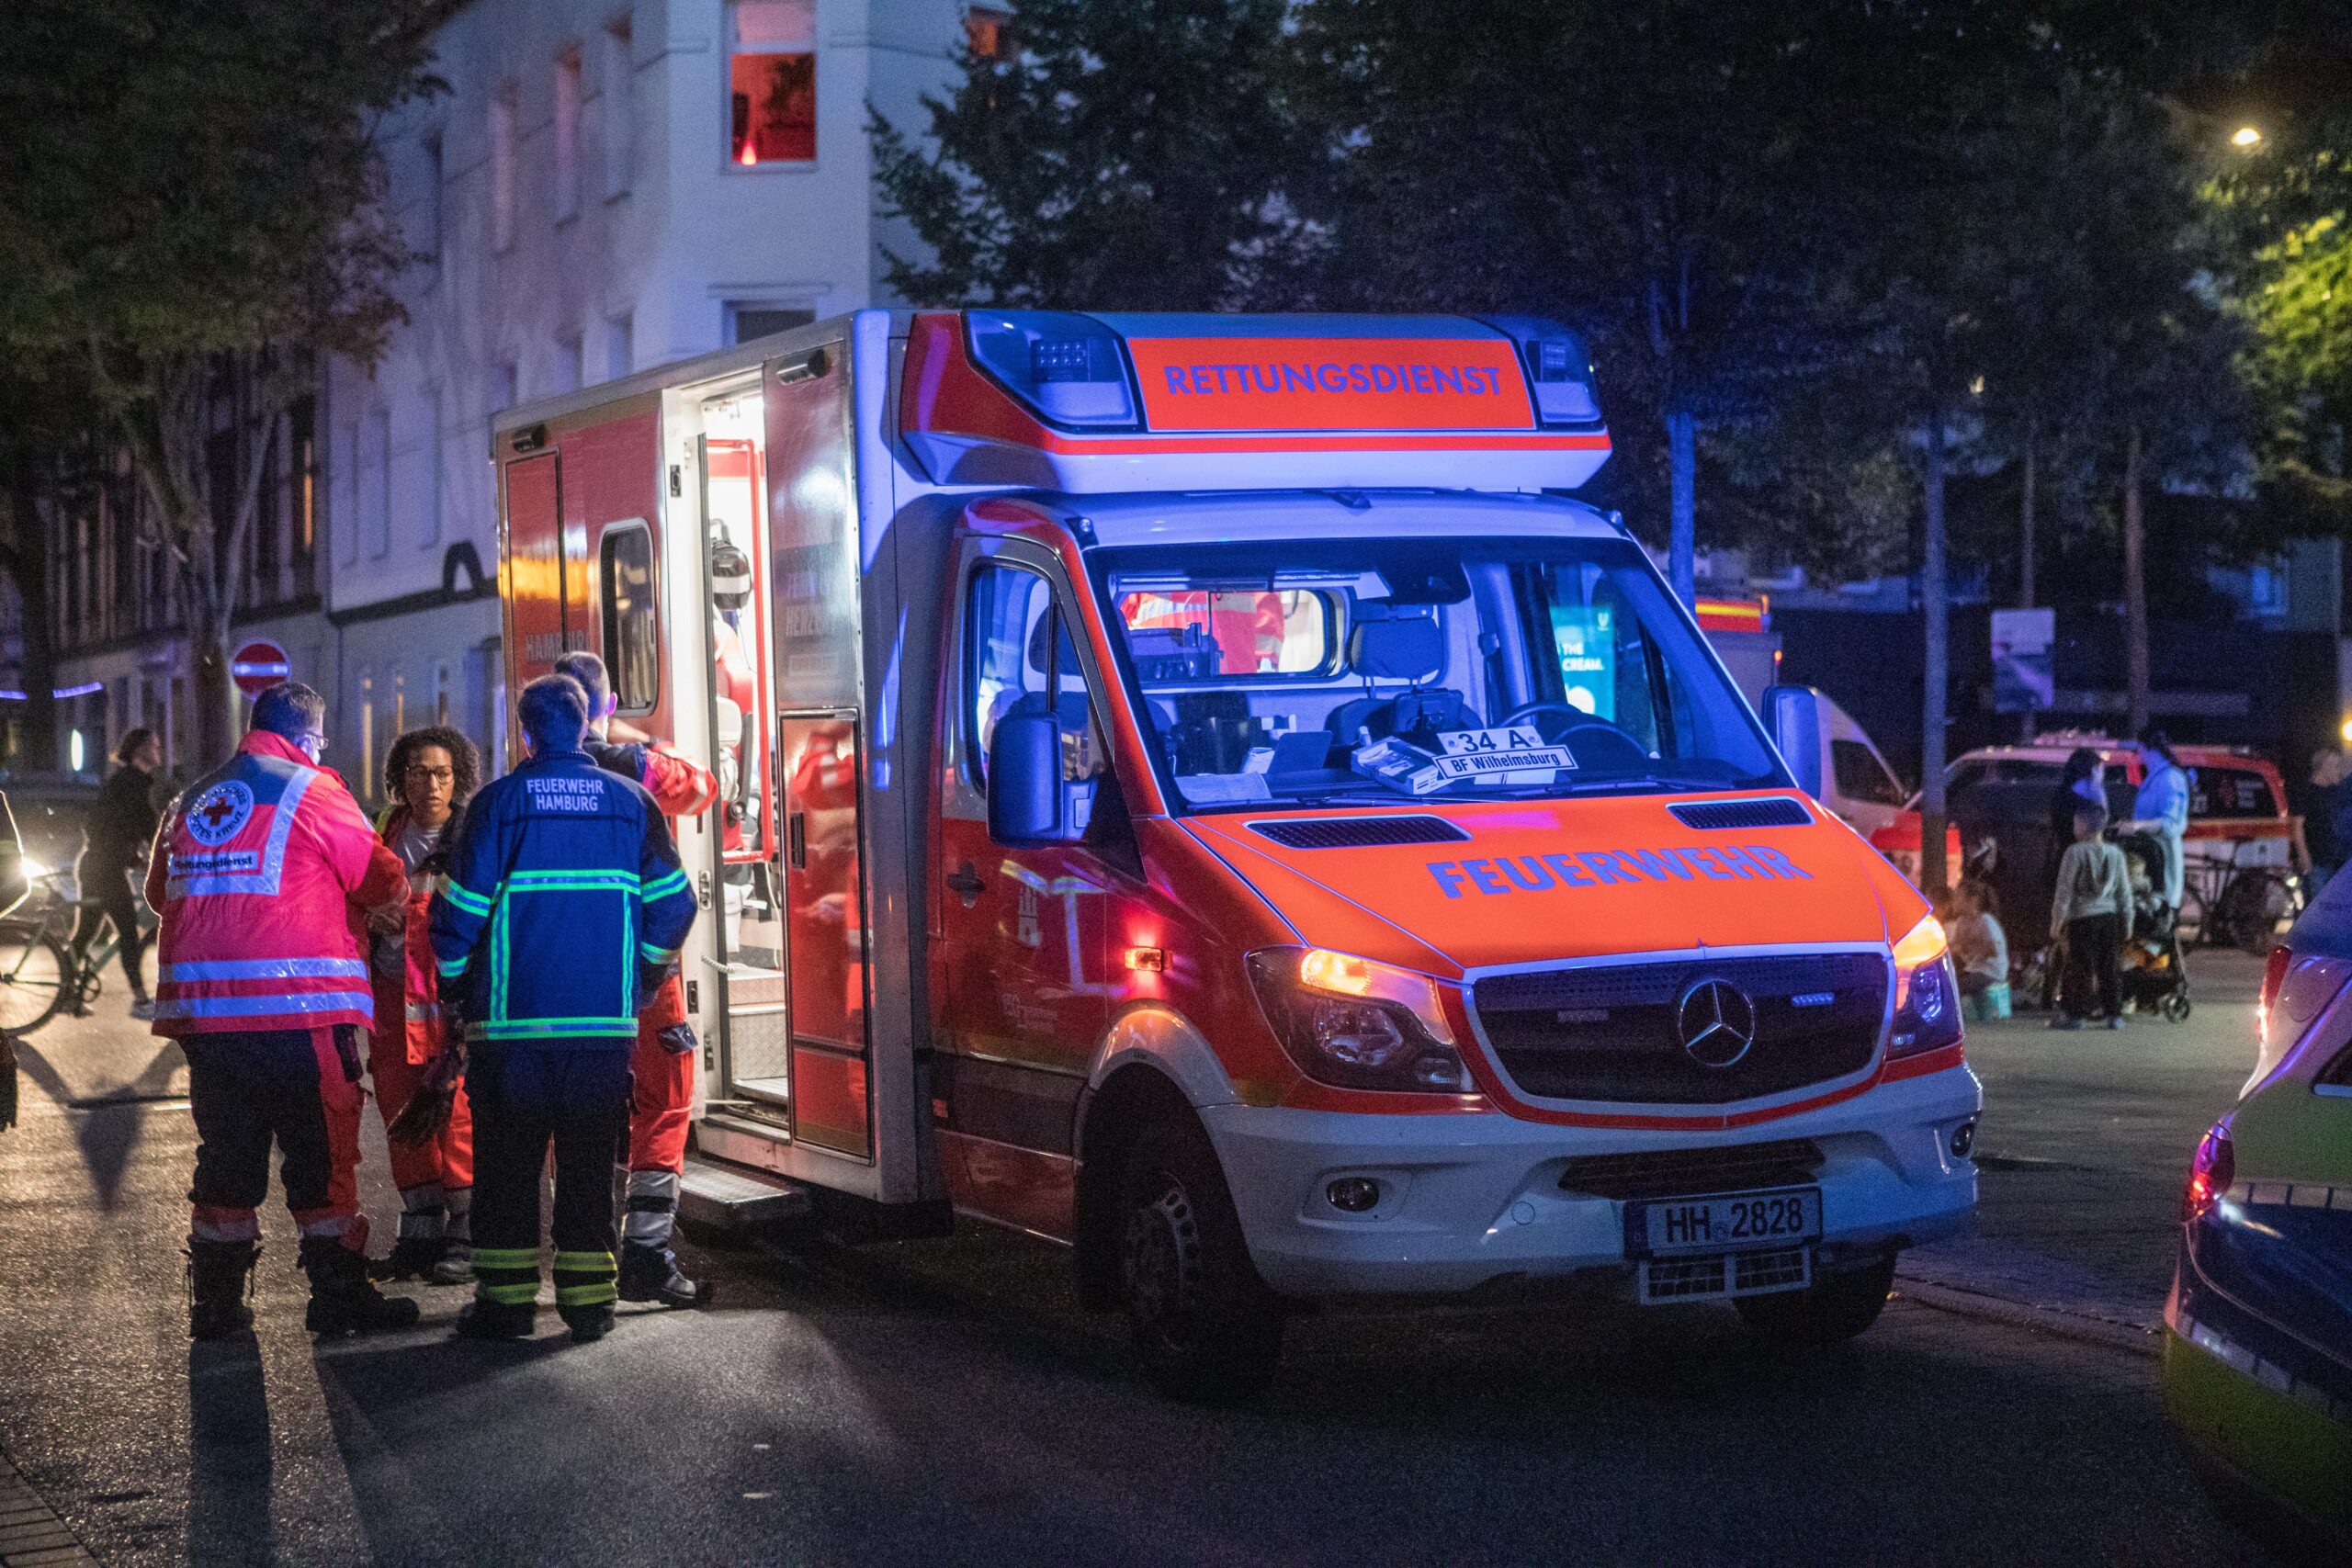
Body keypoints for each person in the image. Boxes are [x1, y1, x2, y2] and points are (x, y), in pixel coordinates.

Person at [432, 675, 697, 1343]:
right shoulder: (633, 802)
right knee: (586, 1166)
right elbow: (675, 904)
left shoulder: (495, 804)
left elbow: (457, 915)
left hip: (509, 1028)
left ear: (525, 732)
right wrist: (639, 978)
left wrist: (457, 986)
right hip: (601, 1029)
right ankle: (589, 1305)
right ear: (586, 726)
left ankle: (507, 1304)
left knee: (508, 1167)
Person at [154, 682, 417, 1339]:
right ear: (307, 739)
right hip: (299, 1006)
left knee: (227, 1153)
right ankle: (336, 1293)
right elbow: (383, 879)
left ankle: (215, 1304)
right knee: (322, 1152)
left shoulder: (192, 797)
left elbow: (163, 894)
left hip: (206, 1013)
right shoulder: (312, 789)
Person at [553, 650, 719, 1307]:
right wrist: (643, 740)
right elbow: (703, 786)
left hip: (564, 971)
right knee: (666, 1098)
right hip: (640, 968)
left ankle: (579, 1254)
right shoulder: (636, 766)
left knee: (577, 1108)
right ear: (609, 703)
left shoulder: (526, 781)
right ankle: (646, 1250)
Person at [367, 726, 482, 1286]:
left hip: (447, 999)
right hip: (390, 1001)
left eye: (441, 773)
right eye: (418, 772)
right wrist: (367, 916)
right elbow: (356, 891)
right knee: (399, 1111)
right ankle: (419, 1233)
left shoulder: (469, 835)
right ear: (400, 780)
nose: (430, 784)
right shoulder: (384, 831)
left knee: (456, 1116)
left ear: (457, 777)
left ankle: (465, 1234)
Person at [81, 728, 164, 1019]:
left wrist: (135, 857)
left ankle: (67, 992)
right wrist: (161, 851)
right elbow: (146, 827)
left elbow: (113, 826)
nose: (159, 749)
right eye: (154, 745)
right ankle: (141, 1002)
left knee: (86, 933)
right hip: (104, 869)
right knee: (128, 933)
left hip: (96, 865)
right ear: (140, 749)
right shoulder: (133, 784)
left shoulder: (125, 782)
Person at [2050, 800, 2132, 1031]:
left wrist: (2057, 921)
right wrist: (2128, 920)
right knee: (2110, 966)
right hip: (2110, 918)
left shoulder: (2074, 853)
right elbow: (2124, 891)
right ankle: (2114, 1015)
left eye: (2076, 823)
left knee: (2080, 967)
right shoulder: (2115, 854)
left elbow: (2064, 891)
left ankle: (2076, 1015)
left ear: (2083, 826)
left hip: (2081, 919)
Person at [2124, 725, 2191, 916]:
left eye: (2140, 749)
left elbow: (2170, 824)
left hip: (2162, 860)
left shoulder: (2170, 778)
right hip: (2151, 860)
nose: (2139, 754)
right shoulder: (2157, 777)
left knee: (2161, 920)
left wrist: (2138, 826)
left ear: (2149, 748)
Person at [2291, 749, 2345, 899]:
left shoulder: (2335, 791)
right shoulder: (2306, 791)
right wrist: (2304, 857)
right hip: (2316, 862)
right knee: (2317, 908)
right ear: (2323, 767)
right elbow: (2297, 827)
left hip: (2336, 861)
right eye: (2336, 766)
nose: (2339, 770)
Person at [1947, 878, 2009, 999]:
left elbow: (1993, 949)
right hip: (1974, 969)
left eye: (1958, 898)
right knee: (1948, 981)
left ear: (1972, 900)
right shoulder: (1961, 923)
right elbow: (1955, 946)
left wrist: (1975, 955)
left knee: (1957, 986)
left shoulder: (1986, 921)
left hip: (1990, 972)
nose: (1954, 902)